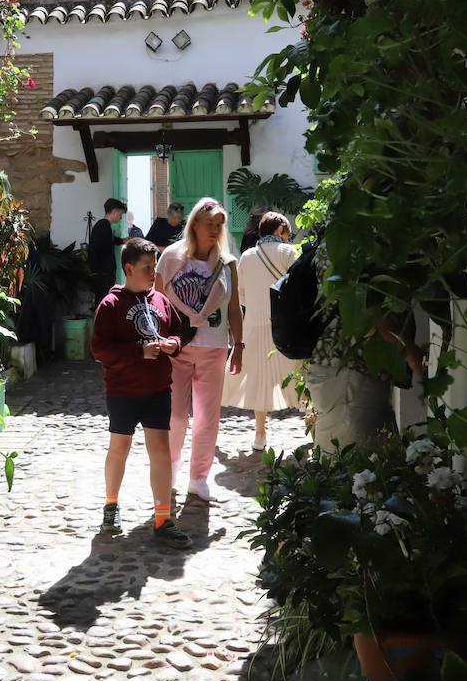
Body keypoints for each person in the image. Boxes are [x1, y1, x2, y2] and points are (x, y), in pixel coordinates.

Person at [90, 237, 192, 549]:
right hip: (122, 391)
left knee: (160, 450)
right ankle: (111, 505)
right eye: (147, 267)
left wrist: (173, 345)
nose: (153, 272)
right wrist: (138, 352)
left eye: (155, 265)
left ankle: (163, 518)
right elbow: (99, 349)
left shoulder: (161, 301)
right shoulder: (109, 305)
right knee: (119, 447)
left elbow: (180, 330)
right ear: (129, 268)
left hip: (157, 388)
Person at [304, 230, 427, 452]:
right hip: (349, 371)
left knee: (352, 461)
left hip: (344, 370)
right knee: (350, 462)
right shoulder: (354, 242)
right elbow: (365, 310)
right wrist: (407, 348)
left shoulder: (343, 238)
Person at [157, 198, 243, 504]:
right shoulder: (170, 257)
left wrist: (239, 346)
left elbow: (234, 308)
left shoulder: (228, 263)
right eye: (210, 223)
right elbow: (156, 303)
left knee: (208, 417)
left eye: (219, 224)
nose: (215, 229)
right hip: (177, 349)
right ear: (194, 224)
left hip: (214, 348)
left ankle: (199, 477)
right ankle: (170, 469)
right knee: (176, 416)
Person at [223, 212, 301, 451]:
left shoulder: (247, 256)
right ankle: (313, 424)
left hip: (254, 325)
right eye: (287, 232)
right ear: (279, 230)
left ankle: (260, 433)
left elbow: (242, 294)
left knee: (257, 379)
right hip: (284, 325)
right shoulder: (289, 253)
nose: (288, 237)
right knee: (299, 375)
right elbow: (298, 288)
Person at [87, 198, 127, 305]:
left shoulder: (102, 226)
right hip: (103, 274)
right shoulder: (104, 226)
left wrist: (123, 240)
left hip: (102, 274)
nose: (121, 217)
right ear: (114, 212)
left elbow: (109, 242)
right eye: (120, 214)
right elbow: (100, 248)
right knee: (103, 303)